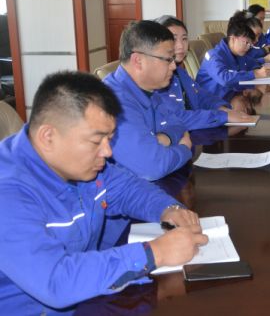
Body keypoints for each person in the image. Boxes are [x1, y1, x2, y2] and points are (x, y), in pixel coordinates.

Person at [0, 71, 207, 313]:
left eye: (109, 139)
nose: (107, 152)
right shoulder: (8, 193)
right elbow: (55, 281)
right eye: (96, 141)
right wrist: (154, 254)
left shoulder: (80, 165)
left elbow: (128, 189)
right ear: (48, 136)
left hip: (90, 297)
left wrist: (168, 209)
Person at [103, 21, 192, 181]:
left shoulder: (148, 89)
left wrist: (165, 137)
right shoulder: (114, 102)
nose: (173, 66)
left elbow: (178, 124)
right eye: (168, 59)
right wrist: (185, 148)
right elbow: (153, 166)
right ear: (138, 61)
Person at [154, 15, 254, 130]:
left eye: (184, 39)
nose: (181, 45)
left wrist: (225, 110)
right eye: (174, 39)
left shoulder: (180, 73)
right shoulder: (157, 78)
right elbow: (177, 119)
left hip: (199, 125)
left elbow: (201, 96)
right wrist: (223, 116)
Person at [197, 20, 270, 102]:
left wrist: (255, 85)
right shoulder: (214, 55)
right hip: (210, 103)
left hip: (228, 97)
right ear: (233, 39)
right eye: (246, 43)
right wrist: (255, 74)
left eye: (250, 45)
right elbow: (225, 79)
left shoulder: (238, 54)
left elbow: (250, 64)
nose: (248, 48)